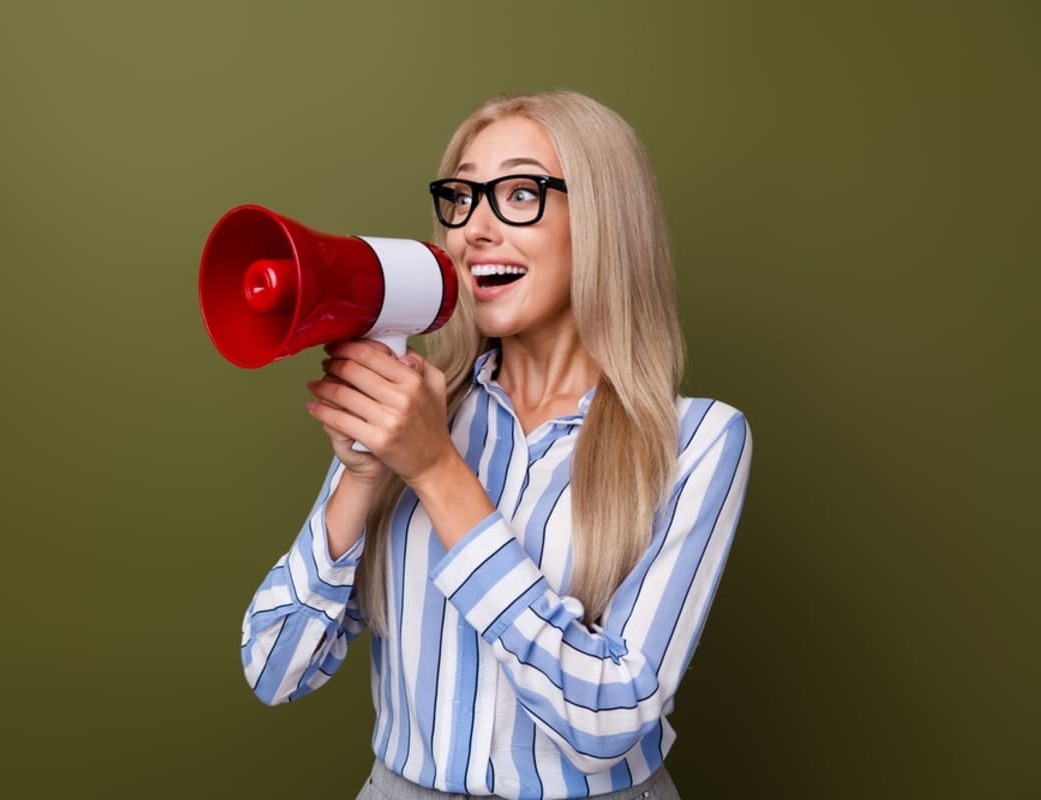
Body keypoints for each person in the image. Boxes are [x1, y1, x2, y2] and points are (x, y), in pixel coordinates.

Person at [241, 90, 753, 800]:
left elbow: (609, 721)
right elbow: (274, 668)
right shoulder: (420, 411)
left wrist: (437, 470)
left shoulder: (697, 441)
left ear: (604, 222)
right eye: (460, 198)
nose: (473, 229)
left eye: (519, 193)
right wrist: (362, 474)